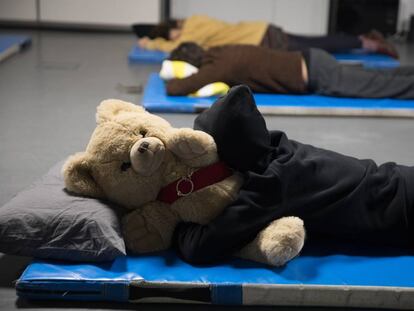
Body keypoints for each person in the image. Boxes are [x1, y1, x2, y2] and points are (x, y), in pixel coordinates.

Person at [172, 85, 414, 265]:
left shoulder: (272, 183)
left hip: (405, 213)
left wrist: (174, 226)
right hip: (399, 181)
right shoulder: (279, 146)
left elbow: (202, 247)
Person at [165, 42, 414, 99]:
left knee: (380, 86)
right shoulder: (224, 50)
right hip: (313, 59)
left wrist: (176, 74)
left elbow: (178, 88)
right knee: (378, 77)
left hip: (316, 73)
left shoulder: (218, 66)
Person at [137, 15, 398, 58]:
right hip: (264, 30)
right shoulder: (197, 20)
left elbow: (180, 45)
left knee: (319, 46)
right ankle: (364, 37)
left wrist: (152, 43)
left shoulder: (191, 30)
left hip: (263, 40)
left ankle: (369, 43)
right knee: (315, 41)